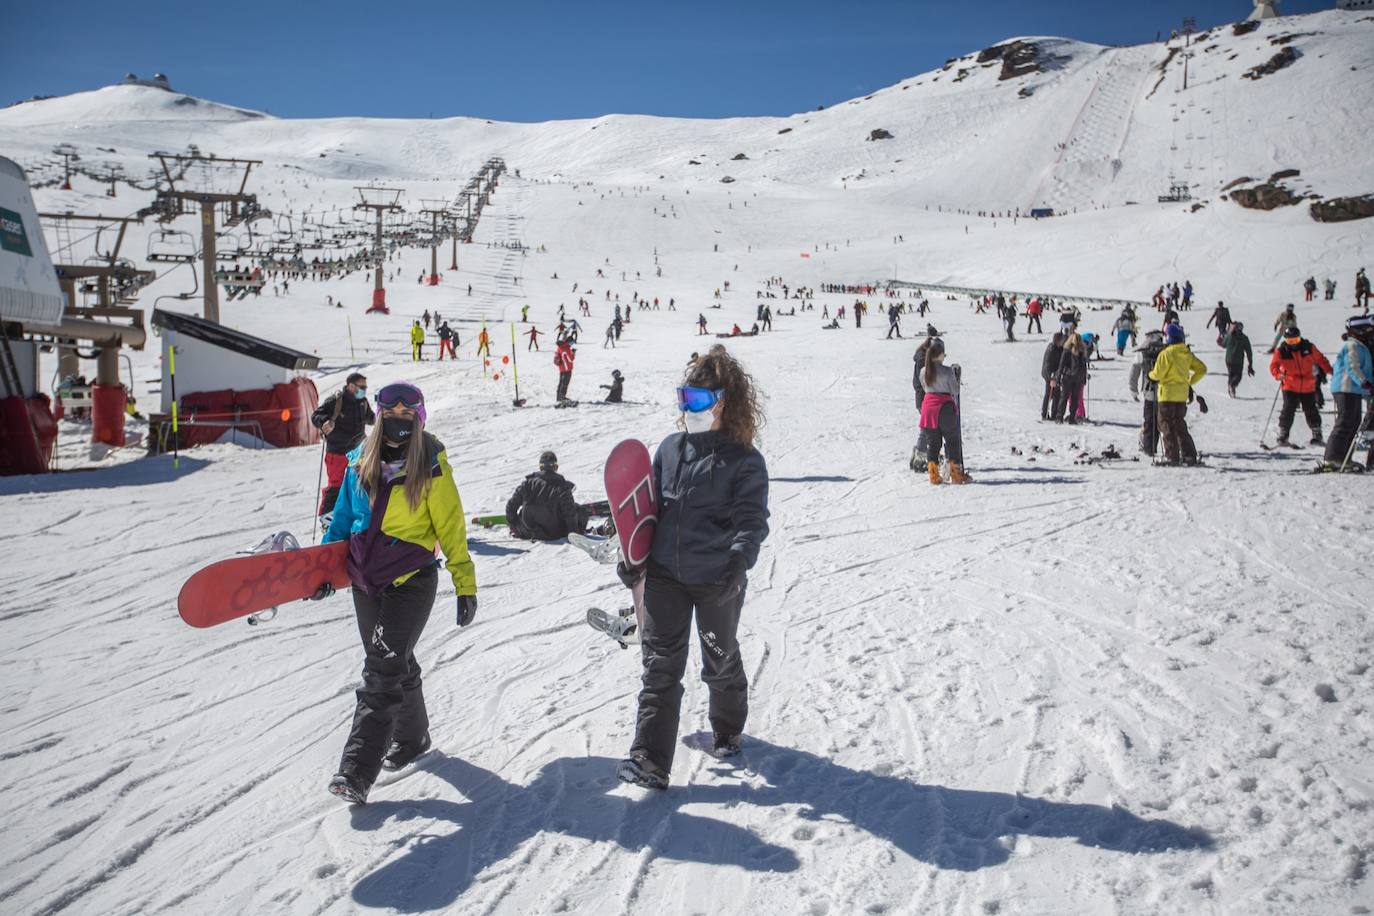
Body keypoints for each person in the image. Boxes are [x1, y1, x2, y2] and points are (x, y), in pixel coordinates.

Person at [617, 346, 770, 789]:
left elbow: (751, 520)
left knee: (718, 660)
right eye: (686, 399)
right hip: (666, 577)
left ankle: (727, 728)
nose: (690, 409)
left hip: (717, 580)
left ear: (725, 402)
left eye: (700, 401)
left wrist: (739, 563)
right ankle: (649, 758)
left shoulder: (744, 461)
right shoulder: (669, 449)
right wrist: (633, 559)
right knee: (660, 665)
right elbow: (645, 515)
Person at [321, 382, 477, 804]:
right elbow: (343, 521)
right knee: (395, 661)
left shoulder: (431, 464)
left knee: (381, 670)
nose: (400, 419)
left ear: (421, 418)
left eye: (409, 414)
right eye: (392, 413)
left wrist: (465, 583)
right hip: (365, 582)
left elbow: (451, 526)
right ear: (379, 415)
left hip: (411, 580)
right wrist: (321, 571)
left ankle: (356, 770)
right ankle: (412, 737)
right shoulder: (359, 460)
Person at [310, 372, 375, 515]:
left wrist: (381, 419)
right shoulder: (336, 401)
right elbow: (315, 416)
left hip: (358, 452)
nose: (364, 390)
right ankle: (327, 516)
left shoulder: (362, 402)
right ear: (351, 386)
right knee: (336, 486)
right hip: (338, 452)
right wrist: (325, 422)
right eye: (361, 387)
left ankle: (354, 513)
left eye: (365, 387)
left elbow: (370, 418)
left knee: (359, 483)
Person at [1148, 324, 1206, 465]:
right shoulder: (1186, 353)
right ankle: (1189, 454)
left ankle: (1171, 455)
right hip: (1181, 395)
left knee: (1165, 424)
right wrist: (1189, 382)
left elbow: (1158, 374)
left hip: (1167, 395)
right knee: (1179, 424)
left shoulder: (1166, 354)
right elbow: (1202, 369)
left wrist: (1151, 375)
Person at [1323, 316, 1374, 470]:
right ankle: (1332, 458)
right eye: (1368, 330)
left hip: (1354, 390)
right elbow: (1352, 366)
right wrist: (1364, 382)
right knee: (1345, 422)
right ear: (1359, 331)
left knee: (1354, 423)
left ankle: (1345, 458)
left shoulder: (1360, 345)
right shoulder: (1352, 345)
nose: (1370, 333)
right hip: (1346, 388)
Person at [505, 451, 589, 540]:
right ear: (556, 467)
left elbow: (510, 506)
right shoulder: (562, 486)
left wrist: (514, 526)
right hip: (556, 533)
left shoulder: (527, 484)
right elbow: (570, 514)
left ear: (541, 467)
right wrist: (575, 534)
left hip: (528, 531)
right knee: (581, 511)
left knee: (523, 510)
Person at [1271, 326, 1333, 446]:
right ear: (1286, 340)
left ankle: (1317, 433)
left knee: (1310, 409)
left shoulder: (1308, 348)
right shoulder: (1282, 351)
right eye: (1290, 341)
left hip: (1308, 385)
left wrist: (1330, 371)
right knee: (1288, 409)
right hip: (1290, 385)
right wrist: (1278, 375)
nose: (1293, 344)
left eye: (1296, 340)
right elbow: (1274, 366)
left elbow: (1321, 360)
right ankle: (1283, 433)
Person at [919, 338, 969, 484]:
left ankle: (933, 475)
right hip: (945, 409)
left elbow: (924, 387)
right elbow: (955, 390)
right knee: (952, 441)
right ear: (940, 354)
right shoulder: (947, 371)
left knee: (933, 443)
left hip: (928, 409)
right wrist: (955, 378)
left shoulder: (923, 371)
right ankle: (956, 474)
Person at [1128, 330, 1166, 456]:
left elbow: (1134, 372)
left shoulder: (1143, 351)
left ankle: (1149, 448)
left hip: (1149, 391)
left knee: (1150, 421)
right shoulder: (1165, 350)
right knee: (1166, 421)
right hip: (1166, 392)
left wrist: (1133, 389)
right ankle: (1172, 449)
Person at [1053, 334, 1089, 424]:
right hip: (1078, 377)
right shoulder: (1082, 351)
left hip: (1067, 376)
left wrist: (1058, 378)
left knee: (1064, 397)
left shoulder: (1066, 351)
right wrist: (1084, 378)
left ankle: (1059, 417)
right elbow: (1084, 366)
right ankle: (1072, 418)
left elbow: (1061, 365)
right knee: (1075, 398)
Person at [1222, 322, 1254, 397]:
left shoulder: (1229, 336)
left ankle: (1231, 389)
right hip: (1238, 360)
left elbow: (1223, 344)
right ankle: (1232, 386)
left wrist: (1224, 336)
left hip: (1228, 360)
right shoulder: (1244, 338)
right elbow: (1249, 351)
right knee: (1238, 375)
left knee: (1231, 374)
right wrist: (1250, 363)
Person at [1041, 333, 1065, 421]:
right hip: (1049, 375)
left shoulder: (1060, 349)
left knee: (1057, 394)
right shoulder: (1051, 349)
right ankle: (1044, 414)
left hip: (1056, 375)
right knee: (1049, 394)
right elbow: (1047, 365)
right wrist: (1051, 377)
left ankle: (1054, 414)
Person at [554, 336, 576, 403]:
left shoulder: (560, 346)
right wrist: (573, 352)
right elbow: (571, 359)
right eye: (572, 342)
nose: (572, 344)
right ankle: (562, 397)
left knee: (561, 383)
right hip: (567, 368)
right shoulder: (566, 348)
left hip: (562, 368)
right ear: (569, 342)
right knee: (565, 383)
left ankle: (559, 397)